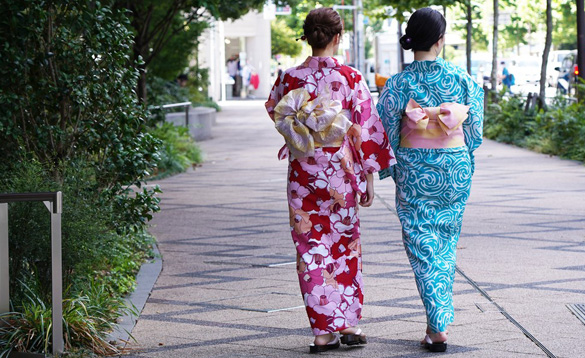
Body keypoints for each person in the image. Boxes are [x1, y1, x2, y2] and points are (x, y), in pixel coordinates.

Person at [265, 7, 396, 354]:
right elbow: (365, 129)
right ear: (337, 38)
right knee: (344, 245)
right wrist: (370, 178)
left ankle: (323, 332)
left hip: (304, 172)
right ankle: (348, 323)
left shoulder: (288, 78)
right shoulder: (351, 78)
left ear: (307, 37)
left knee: (309, 247)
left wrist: (304, 133)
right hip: (340, 171)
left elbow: (275, 111)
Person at [376, 7, 483, 353]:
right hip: (453, 168)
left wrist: (390, 169)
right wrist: (463, 153)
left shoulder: (397, 84)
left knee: (421, 244)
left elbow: (386, 133)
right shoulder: (462, 78)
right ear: (440, 40)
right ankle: (433, 322)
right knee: (446, 242)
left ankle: (437, 323)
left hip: (415, 168)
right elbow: (475, 131)